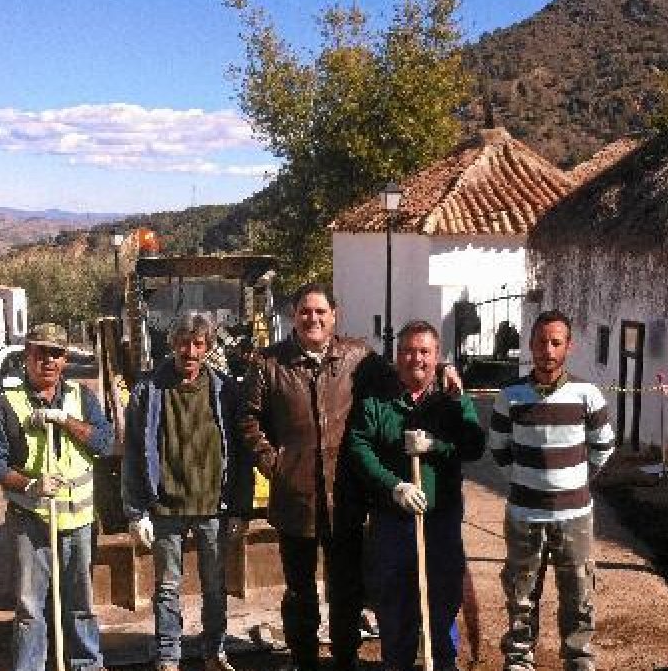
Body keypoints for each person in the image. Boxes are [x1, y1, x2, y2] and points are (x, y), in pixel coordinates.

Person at [240, 283, 463, 671]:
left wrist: (442, 368)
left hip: (345, 498)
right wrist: (272, 462)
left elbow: (406, 368)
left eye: (320, 312)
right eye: (305, 311)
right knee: (300, 592)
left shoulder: (357, 357)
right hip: (295, 498)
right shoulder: (268, 364)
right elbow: (247, 418)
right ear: (294, 316)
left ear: (334, 316)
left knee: (346, 590)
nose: (313, 319)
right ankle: (305, 660)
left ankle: (346, 659)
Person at [345, 320, 486, 671]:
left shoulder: (450, 401)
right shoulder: (378, 402)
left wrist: (437, 444)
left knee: (441, 601)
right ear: (397, 356)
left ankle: (442, 663)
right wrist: (395, 486)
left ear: (437, 357)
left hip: (440, 522)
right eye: (408, 351)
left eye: (424, 351)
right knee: (394, 604)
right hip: (392, 523)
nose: (416, 359)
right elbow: (359, 447)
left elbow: (472, 447)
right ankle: (398, 663)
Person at [121, 314, 251, 671]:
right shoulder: (149, 391)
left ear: (207, 347)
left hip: (214, 507)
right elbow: (133, 452)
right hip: (165, 508)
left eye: (197, 344)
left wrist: (240, 507)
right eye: (182, 342)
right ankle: (168, 655)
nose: (189, 351)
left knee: (215, 586)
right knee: (167, 589)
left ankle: (215, 652)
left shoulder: (225, 390)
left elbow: (240, 453)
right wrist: (136, 511)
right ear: (171, 344)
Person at [489, 310, 615, 671]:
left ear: (568, 347)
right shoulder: (510, 397)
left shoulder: (586, 395)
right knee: (521, 593)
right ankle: (519, 658)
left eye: (556, 342)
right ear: (530, 345)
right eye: (541, 341)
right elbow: (498, 449)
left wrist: (574, 480)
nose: (548, 349)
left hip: (574, 516)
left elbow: (603, 446)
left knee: (578, 594)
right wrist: (529, 479)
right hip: (524, 515)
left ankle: (578, 658)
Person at [0, 322, 114, 671]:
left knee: (81, 603)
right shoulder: (6, 406)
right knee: (29, 607)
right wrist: (29, 485)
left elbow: (104, 443)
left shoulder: (81, 398)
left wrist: (65, 421)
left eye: (56, 354)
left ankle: (87, 663)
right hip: (31, 521)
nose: (48, 361)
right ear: (28, 356)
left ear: (65, 359)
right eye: (40, 353)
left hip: (79, 521)